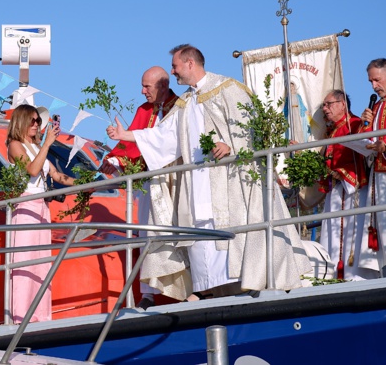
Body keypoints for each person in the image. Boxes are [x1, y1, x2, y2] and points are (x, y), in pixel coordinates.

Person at [107, 44, 311, 300]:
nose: (174, 72)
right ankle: (206, 291)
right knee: (200, 234)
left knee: (233, 234)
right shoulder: (185, 102)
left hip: (228, 180)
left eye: (175, 66)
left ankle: (250, 284)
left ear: (190, 63)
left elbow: (250, 130)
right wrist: (126, 135)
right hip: (196, 183)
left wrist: (230, 146)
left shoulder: (228, 89)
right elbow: (165, 136)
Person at [100, 66, 186, 308]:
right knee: (148, 234)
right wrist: (115, 160)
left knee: (176, 233)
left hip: (175, 183)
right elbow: (134, 145)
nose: (142, 91)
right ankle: (148, 293)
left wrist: (126, 136)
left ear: (162, 86)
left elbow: (157, 142)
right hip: (150, 184)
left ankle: (187, 287)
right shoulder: (144, 110)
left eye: (146, 86)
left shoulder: (180, 108)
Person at [6, 104, 76, 323]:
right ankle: (21, 316)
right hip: (26, 207)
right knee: (25, 262)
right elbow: (32, 170)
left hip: (42, 208)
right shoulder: (15, 145)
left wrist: (86, 183)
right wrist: (47, 143)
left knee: (41, 262)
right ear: (22, 122)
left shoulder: (37, 148)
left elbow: (57, 176)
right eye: (33, 121)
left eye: (38, 121)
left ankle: (40, 315)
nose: (37, 125)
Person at [319, 90, 374, 280]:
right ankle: (331, 275)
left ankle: (352, 276)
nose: (325, 109)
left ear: (343, 104)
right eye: (323, 106)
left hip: (353, 189)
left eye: (329, 104)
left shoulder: (356, 124)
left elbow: (366, 150)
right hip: (335, 190)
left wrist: (341, 173)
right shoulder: (331, 130)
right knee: (331, 233)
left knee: (349, 234)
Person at [359, 58, 386, 276]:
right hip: (378, 174)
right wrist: (364, 125)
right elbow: (365, 142)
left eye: (377, 80)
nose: (374, 86)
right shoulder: (375, 106)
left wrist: (383, 146)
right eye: (371, 82)